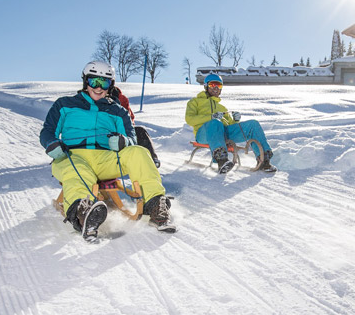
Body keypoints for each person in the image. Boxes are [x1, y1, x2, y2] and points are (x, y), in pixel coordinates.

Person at [40, 61, 176, 241]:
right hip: (72, 157)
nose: (98, 87)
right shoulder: (64, 105)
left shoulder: (118, 111)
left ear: (110, 85)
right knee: (76, 171)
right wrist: (51, 144)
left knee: (139, 152)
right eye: (93, 81)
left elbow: (132, 139)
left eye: (103, 83)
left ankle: (155, 205)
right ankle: (83, 213)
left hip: (107, 159)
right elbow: (47, 131)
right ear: (85, 82)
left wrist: (123, 141)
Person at [184, 74, 276, 174]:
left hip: (222, 134)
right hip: (204, 134)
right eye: (212, 85)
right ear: (206, 86)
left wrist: (236, 121)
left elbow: (229, 126)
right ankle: (221, 160)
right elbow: (189, 119)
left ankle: (263, 160)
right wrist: (211, 117)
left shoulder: (222, 108)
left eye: (218, 86)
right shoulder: (195, 102)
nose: (215, 88)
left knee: (253, 124)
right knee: (215, 123)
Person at [109, 86, 161, 168]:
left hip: (122, 130)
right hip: (105, 131)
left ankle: (152, 159)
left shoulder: (120, 97)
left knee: (140, 131)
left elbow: (129, 117)